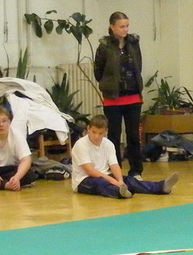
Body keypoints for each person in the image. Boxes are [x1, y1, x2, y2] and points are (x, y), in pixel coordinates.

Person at [71, 115, 177, 199]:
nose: (96, 136)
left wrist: (120, 181)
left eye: (100, 133)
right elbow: (90, 170)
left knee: (130, 180)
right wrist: (112, 180)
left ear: (106, 132)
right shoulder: (81, 144)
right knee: (101, 183)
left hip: (105, 175)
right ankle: (120, 192)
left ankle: (161, 187)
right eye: (94, 132)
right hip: (83, 180)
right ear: (88, 129)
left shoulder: (108, 144)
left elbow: (114, 165)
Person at [93, 11, 145, 178]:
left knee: (133, 135)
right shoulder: (104, 46)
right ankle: (115, 170)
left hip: (133, 97)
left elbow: (138, 65)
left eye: (127, 26)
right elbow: (98, 71)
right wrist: (109, 84)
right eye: (122, 26)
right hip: (113, 98)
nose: (125, 29)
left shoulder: (134, 43)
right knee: (114, 136)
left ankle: (136, 170)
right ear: (112, 27)